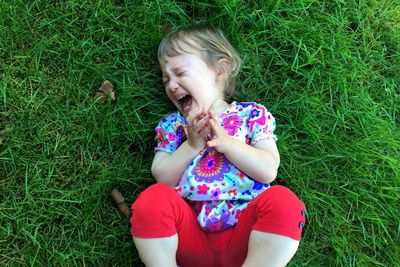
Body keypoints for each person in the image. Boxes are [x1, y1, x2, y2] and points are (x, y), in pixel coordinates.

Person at [130, 25, 306, 267]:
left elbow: (268, 171)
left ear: (219, 70)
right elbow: (163, 178)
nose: (171, 85)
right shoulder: (172, 125)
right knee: (153, 200)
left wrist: (229, 144)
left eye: (180, 73)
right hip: (190, 236)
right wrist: (191, 145)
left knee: (284, 203)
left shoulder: (251, 115)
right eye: (166, 79)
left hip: (246, 240)